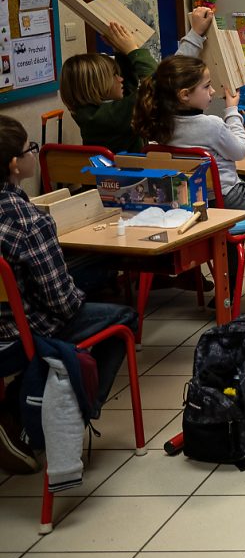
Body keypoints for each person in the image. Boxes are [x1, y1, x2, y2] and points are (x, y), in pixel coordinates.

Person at [0, 116, 138, 474]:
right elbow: (63, 302)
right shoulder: (27, 220)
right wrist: (77, 292)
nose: (34, 153)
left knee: (91, 272)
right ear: (15, 165)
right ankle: (76, 408)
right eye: (31, 148)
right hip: (17, 336)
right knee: (125, 316)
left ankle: (17, 408)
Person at [132, 56, 245, 321]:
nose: (212, 92)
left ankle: (228, 292)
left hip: (190, 204)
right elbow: (240, 150)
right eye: (207, 86)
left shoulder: (159, 124)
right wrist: (232, 111)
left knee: (227, 233)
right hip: (227, 199)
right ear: (185, 95)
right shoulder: (210, 125)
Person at [60, 8, 215, 154]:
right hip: (132, 180)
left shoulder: (92, 114)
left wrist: (121, 52)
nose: (120, 78)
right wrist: (133, 51)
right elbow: (161, 82)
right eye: (114, 75)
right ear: (96, 86)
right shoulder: (110, 117)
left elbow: (131, 86)